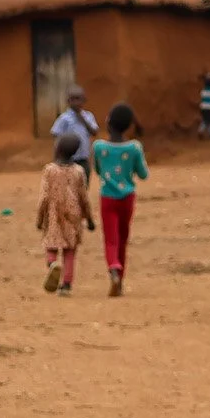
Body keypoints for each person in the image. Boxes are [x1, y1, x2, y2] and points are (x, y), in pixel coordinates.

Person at [93, 102, 149, 297]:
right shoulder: (134, 147)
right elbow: (143, 174)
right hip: (127, 198)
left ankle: (113, 269)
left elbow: (98, 170)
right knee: (123, 238)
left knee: (110, 239)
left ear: (108, 121)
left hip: (107, 197)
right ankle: (121, 280)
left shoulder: (99, 147)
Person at [37, 132, 94, 296]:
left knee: (51, 245)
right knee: (70, 251)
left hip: (54, 214)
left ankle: (52, 264)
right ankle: (67, 285)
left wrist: (40, 219)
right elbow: (84, 197)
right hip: (73, 216)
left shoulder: (49, 171)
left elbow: (44, 197)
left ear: (58, 149)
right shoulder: (78, 171)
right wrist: (89, 219)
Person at [50, 85, 98, 178]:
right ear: (68, 101)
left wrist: (82, 119)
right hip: (68, 160)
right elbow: (56, 135)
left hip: (84, 159)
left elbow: (94, 132)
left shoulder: (88, 116)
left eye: (78, 99)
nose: (76, 102)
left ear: (84, 100)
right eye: (73, 99)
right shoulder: (64, 118)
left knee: (84, 185)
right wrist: (56, 158)